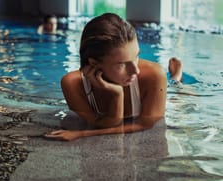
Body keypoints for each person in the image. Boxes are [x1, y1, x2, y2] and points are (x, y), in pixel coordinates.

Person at [45, 12, 183, 141]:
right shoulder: (72, 84)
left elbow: (146, 124)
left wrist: (82, 134)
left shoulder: (154, 74)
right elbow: (104, 124)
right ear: (94, 63)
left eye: (136, 56)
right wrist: (117, 94)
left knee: (175, 93)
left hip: (159, 90)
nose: (135, 71)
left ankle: (176, 76)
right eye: (122, 64)